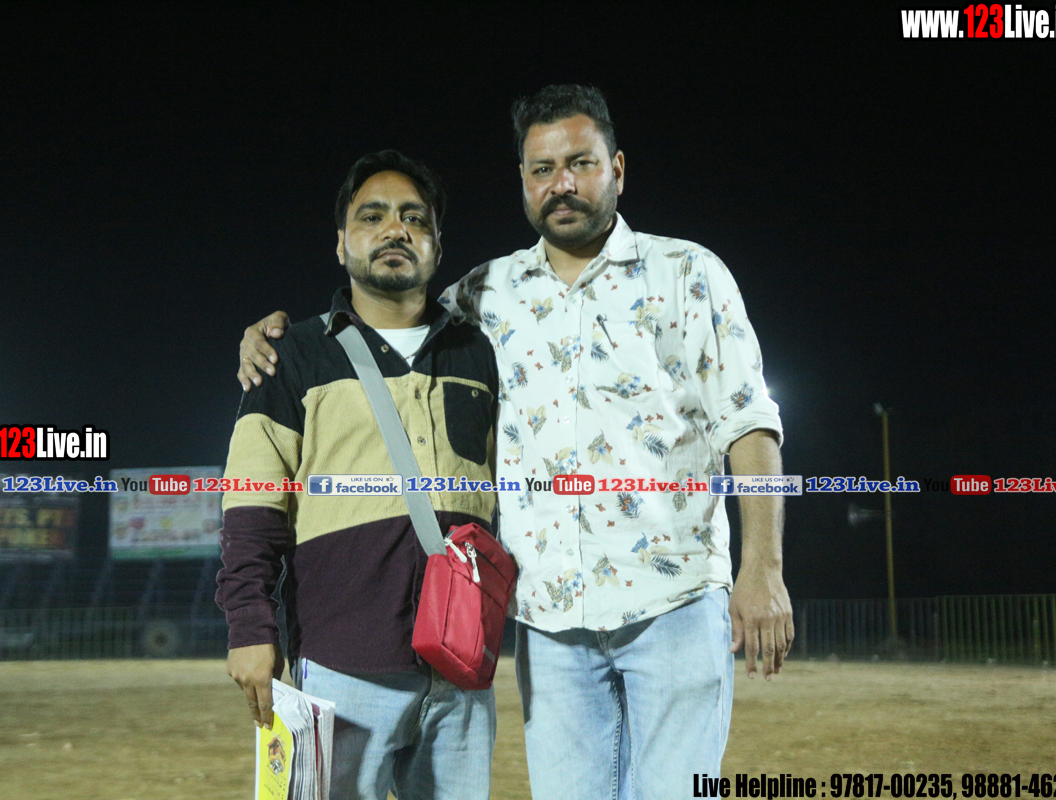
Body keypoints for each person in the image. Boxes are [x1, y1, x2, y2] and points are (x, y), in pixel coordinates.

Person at [237, 86, 793, 799]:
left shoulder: (688, 273)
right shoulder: (483, 297)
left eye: (580, 163)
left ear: (617, 169)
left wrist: (762, 569)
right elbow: (389, 320)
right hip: (550, 625)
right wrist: (275, 336)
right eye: (542, 169)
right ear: (524, 182)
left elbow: (748, 423)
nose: (562, 183)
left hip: (676, 603)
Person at [216, 150, 500, 800]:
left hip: (463, 670)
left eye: (414, 218)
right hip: (344, 668)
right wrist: (251, 627)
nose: (395, 229)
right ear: (342, 243)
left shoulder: (479, 354)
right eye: (372, 217)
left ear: (436, 245)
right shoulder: (290, 356)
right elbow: (251, 505)